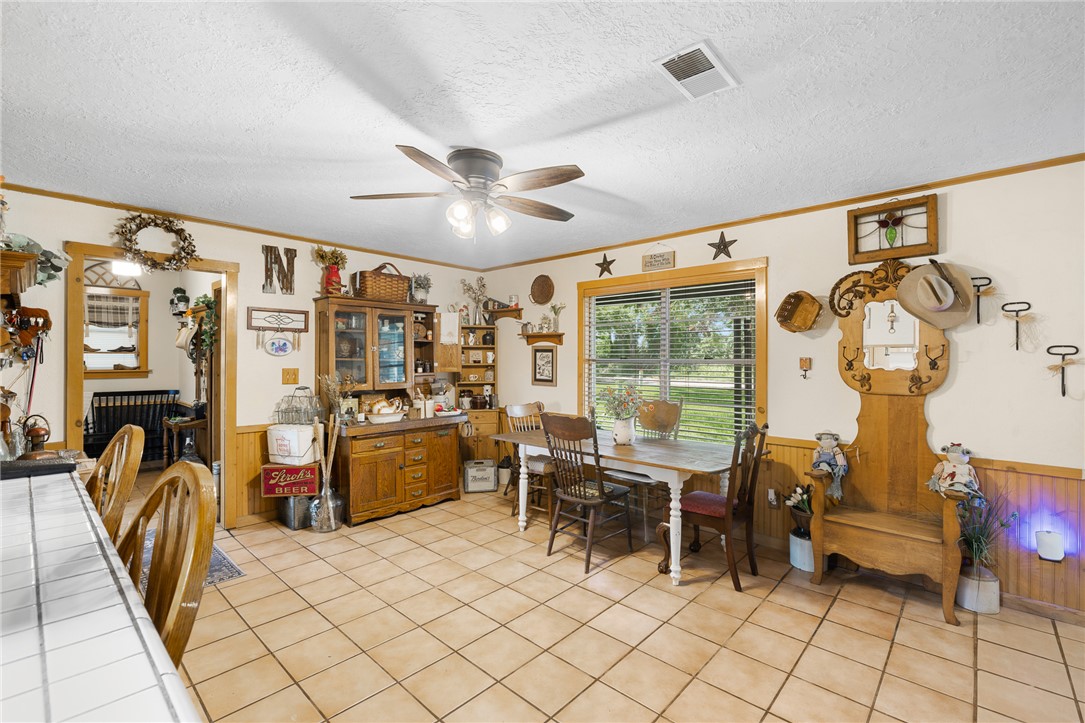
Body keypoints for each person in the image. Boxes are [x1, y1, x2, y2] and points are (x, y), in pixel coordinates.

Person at [812, 430, 848, 504]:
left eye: (829, 438)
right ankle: (824, 466)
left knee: (836, 471)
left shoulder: (835, 449)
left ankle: (832, 473)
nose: (827, 441)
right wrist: (815, 459)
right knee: (821, 463)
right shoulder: (820, 449)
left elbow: (839, 456)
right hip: (822, 461)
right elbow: (816, 457)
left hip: (832, 462)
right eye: (825, 439)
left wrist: (841, 465)